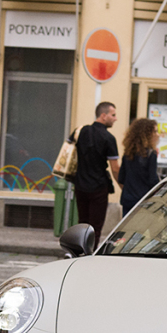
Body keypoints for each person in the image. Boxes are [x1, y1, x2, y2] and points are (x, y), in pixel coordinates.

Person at [71, 101, 120, 238]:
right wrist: (122, 185)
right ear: (103, 116)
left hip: (80, 185)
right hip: (98, 187)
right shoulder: (109, 138)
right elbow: (115, 168)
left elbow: (68, 149)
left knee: (82, 222)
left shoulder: (81, 131)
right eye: (113, 115)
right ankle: (89, 254)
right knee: (95, 226)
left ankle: (78, 251)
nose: (116, 118)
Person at [118, 117, 160, 215]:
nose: (157, 135)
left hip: (128, 200)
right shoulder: (151, 154)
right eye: (155, 131)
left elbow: (121, 178)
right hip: (144, 201)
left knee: (127, 229)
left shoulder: (128, 153)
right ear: (147, 134)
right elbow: (152, 180)